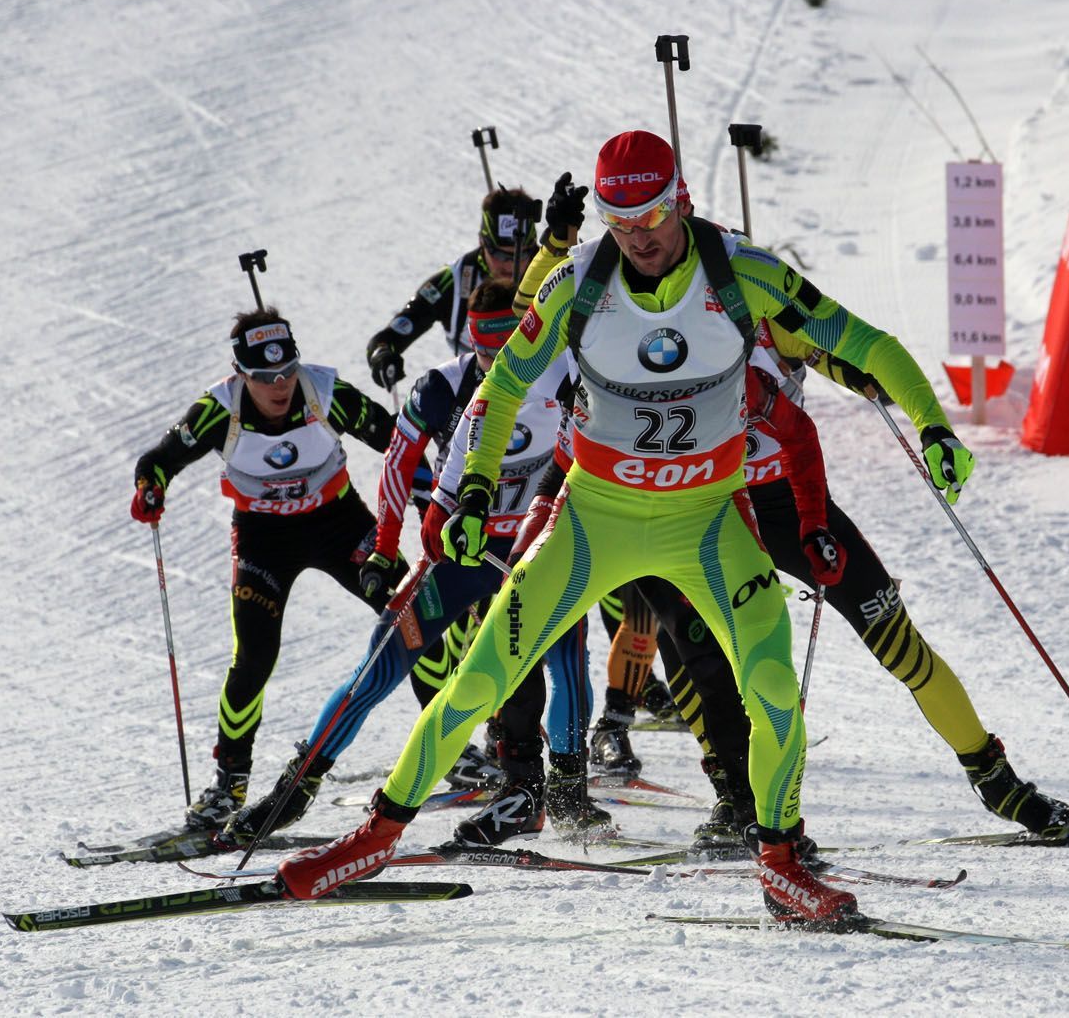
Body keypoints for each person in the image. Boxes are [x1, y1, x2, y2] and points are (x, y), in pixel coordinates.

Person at [277, 129, 963, 926]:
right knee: (482, 677)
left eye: (649, 216)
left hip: (707, 518)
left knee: (772, 683)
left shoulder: (745, 273)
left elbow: (864, 341)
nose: (636, 237)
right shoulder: (576, 283)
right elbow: (501, 391)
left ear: (683, 202)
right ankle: (375, 835)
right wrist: (466, 493)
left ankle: (778, 864)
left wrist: (934, 424)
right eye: (617, 219)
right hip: (594, 519)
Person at [516, 169, 1069, 849]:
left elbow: (841, 357)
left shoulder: (752, 296)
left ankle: (996, 779)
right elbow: (546, 307)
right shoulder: (637, 316)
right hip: (697, 506)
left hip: (786, 499)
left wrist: (910, 414)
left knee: (895, 639)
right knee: (698, 652)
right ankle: (737, 799)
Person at [220, 279, 606, 847]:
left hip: (535, 544)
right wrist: (383, 545)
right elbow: (399, 464)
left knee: (561, 653)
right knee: (381, 662)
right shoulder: (442, 387)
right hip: (460, 553)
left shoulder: (560, 371)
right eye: (487, 355)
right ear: (470, 344)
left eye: (510, 353)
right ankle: (293, 790)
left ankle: (561, 792)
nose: (501, 367)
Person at [130, 308, 396, 830]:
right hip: (263, 538)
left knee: (413, 612)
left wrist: (432, 482)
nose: (279, 386)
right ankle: (229, 783)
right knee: (253, 656)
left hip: (339, 523)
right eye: (264, 378)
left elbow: (394, 436)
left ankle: (465, 753)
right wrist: (150, 487)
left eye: (286, 372)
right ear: (240, 375)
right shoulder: (218, 410)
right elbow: (158, 458)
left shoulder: (322, 392)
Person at [365, 187, 540, 389]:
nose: (511, 265)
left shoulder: (551, 268)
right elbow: (392, 334)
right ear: (482, 242)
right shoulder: (454, 282)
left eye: (522, 253)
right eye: (500, 255)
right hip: (481, 395)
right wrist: (383, 355)